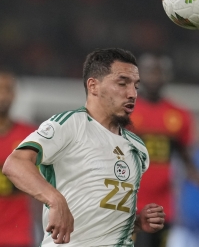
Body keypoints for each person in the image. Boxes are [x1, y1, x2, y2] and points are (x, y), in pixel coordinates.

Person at [2, 48, 166, 245]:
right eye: (122, 84)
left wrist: (137, 222)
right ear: (93, 86)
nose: (132, 94)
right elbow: (15, 164)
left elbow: (101, 215)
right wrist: (55, 200)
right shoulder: (69, 125)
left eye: (136, 86)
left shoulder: (137, 148)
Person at [130, 54, 199, 247]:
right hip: (130, 200)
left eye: (159, 72)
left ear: (167, 76)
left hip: (163, 202)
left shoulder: (179, 115)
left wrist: (194, 172)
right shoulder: (126, 111)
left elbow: (182, 152)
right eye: (149, 72)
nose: (154, 77)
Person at [0, 71, 36, 247]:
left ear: (14, 95)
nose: (2, 96)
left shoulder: (30, 136)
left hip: (17, 235)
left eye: (6, 90)